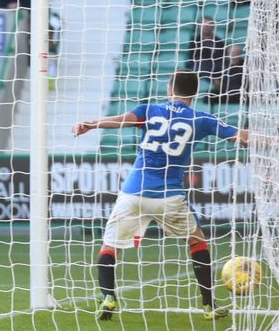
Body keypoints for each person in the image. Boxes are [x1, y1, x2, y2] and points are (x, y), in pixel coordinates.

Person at [72, 69, 248, 321]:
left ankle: (108, 297)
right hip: (169, 196)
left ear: (169, 89)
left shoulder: (149, 109)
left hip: (134, 191)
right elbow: (240, 137)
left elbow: (122, 119)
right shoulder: (202, 118)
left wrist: (91, 124)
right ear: (195, 93)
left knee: (110, 245)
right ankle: (209, 305)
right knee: (197, 241)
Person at [187, 17, 226, 81]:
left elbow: (220, 57)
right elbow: (192, 57)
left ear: (213, 27)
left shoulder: (219, 42)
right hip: (199, 67)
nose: (206, 27)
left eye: (209, 25)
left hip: (215, 67)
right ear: (200, 26)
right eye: (204, 25)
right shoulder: (195, 41)